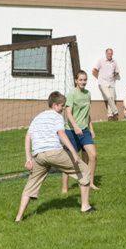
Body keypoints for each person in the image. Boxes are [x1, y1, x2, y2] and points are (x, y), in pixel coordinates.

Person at [15, 91, 95, 222]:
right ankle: (85, 207)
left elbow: (28, 137)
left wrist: (28, 158)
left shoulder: (38, 117)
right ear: (55, 105)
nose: (63, 108)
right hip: (54, 153)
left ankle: (18, 217)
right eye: (62, 106)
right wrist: (74, 153)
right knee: (84, 170)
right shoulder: (57, 117)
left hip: (38, 156)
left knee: (30, 185)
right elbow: (61, 134)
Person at [63, 70, 99, 191]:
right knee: (70, 160)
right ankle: (64, 188)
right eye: (81, 80)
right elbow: (68, 112)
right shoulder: (71, 94)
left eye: (85, 80)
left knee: (93, 156)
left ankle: (90, 183)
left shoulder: (88, 94)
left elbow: (87, 114)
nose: (83, 82)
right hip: (71, 131)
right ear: (76, 81)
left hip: (84, 130)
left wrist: (91, 129)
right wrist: (75, 126)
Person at [92, 48, 121, 121]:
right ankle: (115, 111)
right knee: (109, 97)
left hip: (111, 83)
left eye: (111, 53)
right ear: (106, 54)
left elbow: (117, 71)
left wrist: (114, 75)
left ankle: (110, 116)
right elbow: (94, 70)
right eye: (108, 53)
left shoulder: (114, 62)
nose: (110, 55)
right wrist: (99, 78)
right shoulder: (101, 61)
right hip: (103, 83)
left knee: (111, 98)